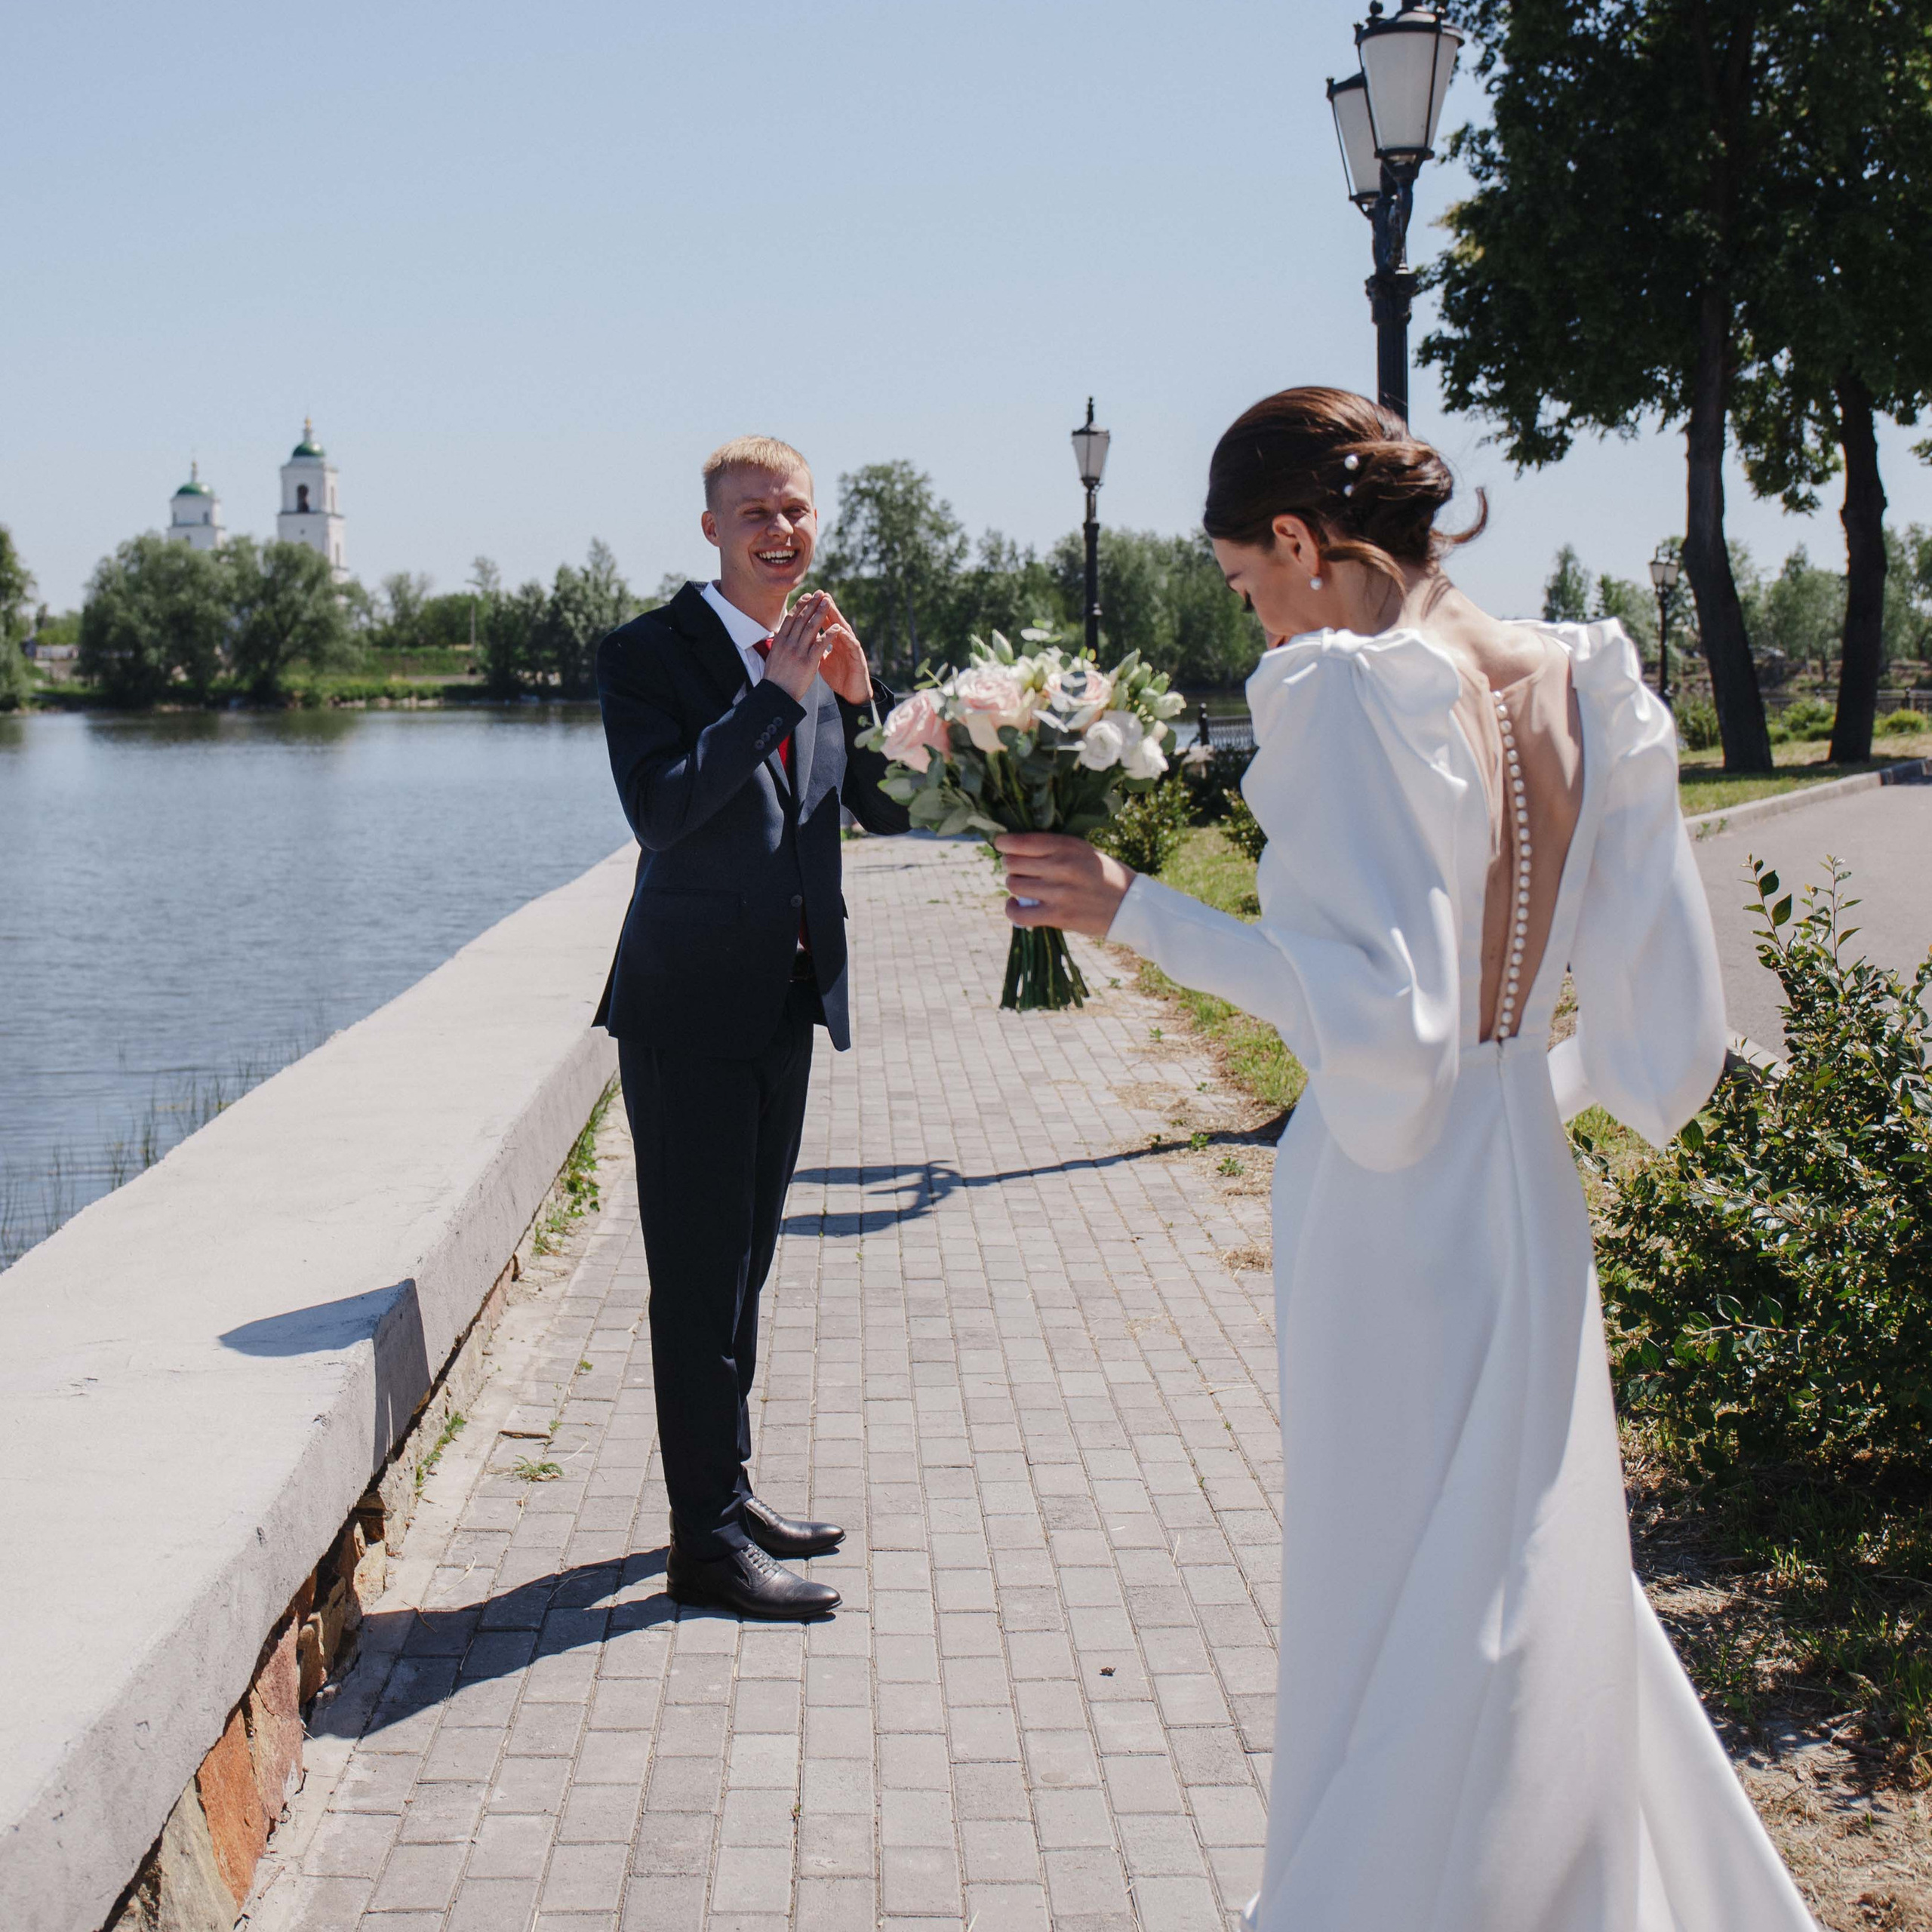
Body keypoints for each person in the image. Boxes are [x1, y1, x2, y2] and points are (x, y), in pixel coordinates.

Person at [997, 389, 1817, 1929]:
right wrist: (1544, 1089)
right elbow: (1663, 1035)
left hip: (1388, 1209)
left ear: (1304, 542)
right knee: (1533, 1557)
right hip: (1523, 1178)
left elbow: (1385, 1036)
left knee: (1382, 1590)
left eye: (1246, 579)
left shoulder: (1347, 691)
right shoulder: (1588, 678)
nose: (1251, 613)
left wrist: (1138, 912)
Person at [594, 435, 909, 1620]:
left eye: (796, 510)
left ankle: (724, 1492)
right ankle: (705, 1550)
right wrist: (774, 691)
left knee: (746, 1272)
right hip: (685, 1011)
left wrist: (857, 697)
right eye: (755, 515)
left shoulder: (822, 650)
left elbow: (881, 807)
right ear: (712, 531)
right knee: (696, 1278)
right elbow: (667, 814)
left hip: (783, 1003)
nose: (781, 531)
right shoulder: (647, 656)